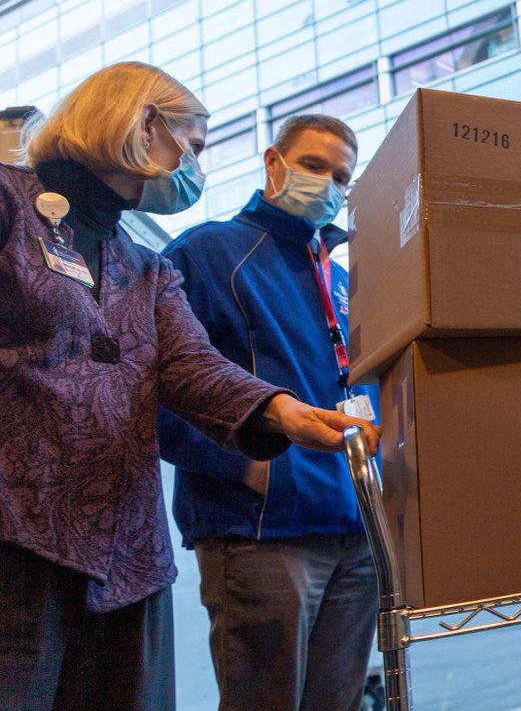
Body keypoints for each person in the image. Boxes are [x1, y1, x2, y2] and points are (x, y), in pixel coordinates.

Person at [0, 62, 380, 711]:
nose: (195, 169)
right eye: (194, 147)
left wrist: (283, 411)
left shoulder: (146, 268)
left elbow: (194, 369)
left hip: (129, 553)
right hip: (21, 534)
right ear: (144, 122)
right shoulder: (11, 205)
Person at [156, 114, 377, 711]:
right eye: (313, 165)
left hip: (356, 533)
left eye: (341, 176)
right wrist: (247, 467)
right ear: (273, 162)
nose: (327, 183)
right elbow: (149, 385)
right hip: (259, 528)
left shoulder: (341, 279)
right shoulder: (206, 253)